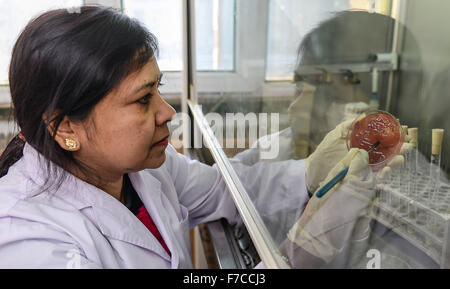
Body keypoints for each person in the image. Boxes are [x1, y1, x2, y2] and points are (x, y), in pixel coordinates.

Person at [0, 6, 409, 269]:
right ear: (65, 127)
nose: (167, 112)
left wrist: (309, 171)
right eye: (143, 99)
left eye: (158, 89)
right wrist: (303, 252)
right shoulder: (29, 242)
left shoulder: (145, 168)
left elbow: (228, 192)